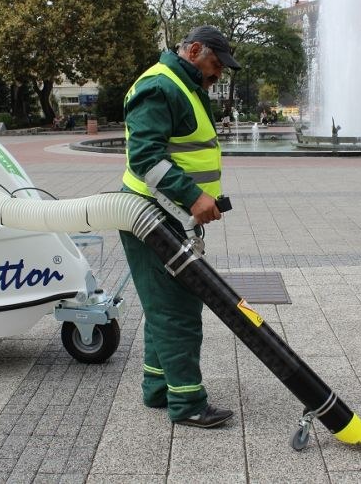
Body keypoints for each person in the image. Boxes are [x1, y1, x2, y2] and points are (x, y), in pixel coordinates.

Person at [119, 25, 240, 429]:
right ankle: (187, 403)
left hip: (165, 215)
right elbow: (145, 157)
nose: (218, 73)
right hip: (153, 214)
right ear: (193, 51)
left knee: (163, 306)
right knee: (177, 310)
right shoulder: (160, 85)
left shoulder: (185, 86)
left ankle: (158, 387)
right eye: (215, 63)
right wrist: (192, 197)